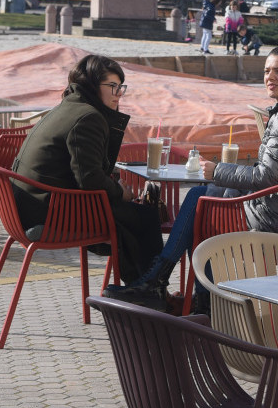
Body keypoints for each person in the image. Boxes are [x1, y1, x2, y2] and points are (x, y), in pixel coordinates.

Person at [103, 43, 278, 309]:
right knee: (201, 199)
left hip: (277, 225)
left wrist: (218, 171)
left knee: (200, 207)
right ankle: (186, 294)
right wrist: (225, 179)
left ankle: (176, 290)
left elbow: (269, 175)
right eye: (266, 71)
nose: (270, 77)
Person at [12, 55, 164, 300]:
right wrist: (120, 192)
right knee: (145, 217)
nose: (118, 94)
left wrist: (114, 187)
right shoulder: (88, 117)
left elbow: (83, 171)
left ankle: (143, 289)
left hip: (27, 209)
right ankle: (149, 292)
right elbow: (89, 179)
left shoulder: (65, 107)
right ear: (92, 86)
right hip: (48, 215)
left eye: (121, 87)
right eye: (112, 86)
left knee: (130, 215)